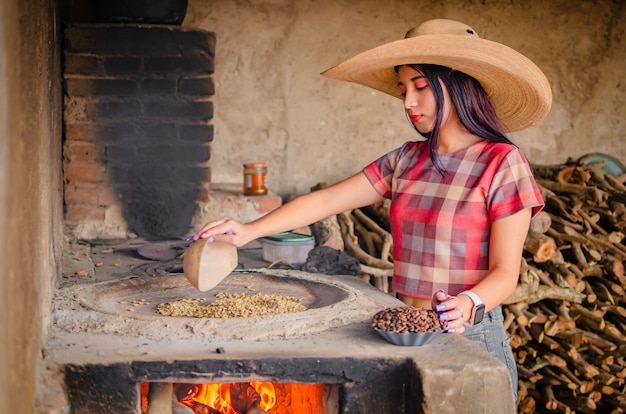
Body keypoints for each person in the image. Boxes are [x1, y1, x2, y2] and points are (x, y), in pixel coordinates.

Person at [190, 18, 552, 402]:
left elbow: (505, 273)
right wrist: (248, 230)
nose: (408, 103)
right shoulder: (407, 160)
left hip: (469, 337)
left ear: (459, 82)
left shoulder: (502, 162)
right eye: (403, 90)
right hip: (399, 332)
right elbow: (327, 200)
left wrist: (467, 304)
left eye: (421, 87)